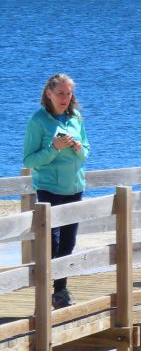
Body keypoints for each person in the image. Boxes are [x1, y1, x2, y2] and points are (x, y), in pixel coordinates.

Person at [23, 74, 90, 309]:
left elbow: (86, 151)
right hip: (49, 188)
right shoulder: (38, 121)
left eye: (68, 93)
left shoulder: (75, 117)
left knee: (68, 243)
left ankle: (60, 292)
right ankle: (48, 289)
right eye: (60, 93)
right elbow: (29, 160)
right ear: (48, 94)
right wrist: (54, 148)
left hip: (74, 187)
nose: (65, 98)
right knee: (51, 241)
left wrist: (79, 148)